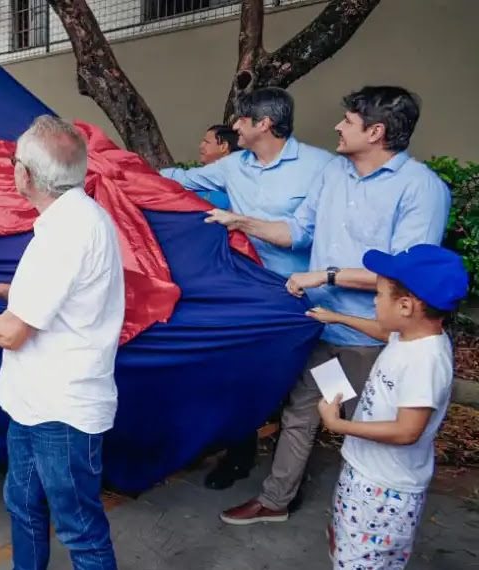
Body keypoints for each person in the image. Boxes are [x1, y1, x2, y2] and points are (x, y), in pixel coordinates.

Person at [210, 86, 452, 525]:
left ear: (376, 132)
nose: (337, 126)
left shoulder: (421, 188)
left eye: (348, 121)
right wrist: (241, 221)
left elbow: (408, 275)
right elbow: (297, 232)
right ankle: (275, 500)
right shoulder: (335, 173)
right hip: (323, 325)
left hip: (370, 335)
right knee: (302, 413)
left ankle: (366, 519)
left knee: (368, 427)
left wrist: (326, 275)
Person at [0, 115, 123, 570]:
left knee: (80, 531)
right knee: (24, 507)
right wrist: (0, 289)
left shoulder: (65, 233)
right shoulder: (77, 217)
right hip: (36, 406)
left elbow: (12, 333)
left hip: (62, 415)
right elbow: (59, 294)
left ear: (27, 176)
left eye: (14, 161)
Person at [162, 87, 335, 491]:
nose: (234, 124)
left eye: (241, 119)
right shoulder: (234, 165)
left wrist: (242, 223)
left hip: (303, 295)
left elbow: (311, 233)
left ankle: (336, 447)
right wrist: (116, 167)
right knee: (238, 371)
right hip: (248, 290)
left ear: (264, 124)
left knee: (315, 381)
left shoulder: (321, 166)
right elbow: (180, 178)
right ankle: (239, 454)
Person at [310, 245, 466, 568]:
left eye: (379, 295)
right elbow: (382, 330)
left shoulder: (426, 361)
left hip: (385, 489)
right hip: (365, 473)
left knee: (361, 563)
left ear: (406, 306)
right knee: (347, 551)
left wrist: (338, 425)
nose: (374, 301)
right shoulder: (410, 334)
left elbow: (407, 431)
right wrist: (335, 316)